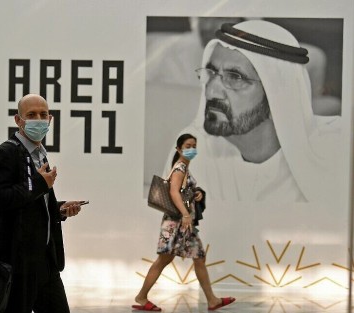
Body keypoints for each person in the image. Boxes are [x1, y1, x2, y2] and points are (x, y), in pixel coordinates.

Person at [164, 20, 340, 202]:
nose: (210, 92)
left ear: (275, 94)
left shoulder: (336, 151)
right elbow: (166, 226)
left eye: (235, 77)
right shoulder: (190, 147)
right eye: (211, 73)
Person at [0, 94, 84, 313]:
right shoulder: (4, 154)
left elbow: (35, 204)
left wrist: (60, 209)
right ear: (18, 120)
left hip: (46, 261)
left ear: (50, 119)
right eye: (31, 115)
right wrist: (39, 184)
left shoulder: (40, 154)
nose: (38, 119)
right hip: (18, 265)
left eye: (43, 114)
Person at [134, 134, 235, 312]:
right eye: (188, 145)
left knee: (195, 257)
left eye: (194, 145)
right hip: (177, 224)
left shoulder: (183, 168)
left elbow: (181, 191)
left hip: (180, 224)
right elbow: (174, 192)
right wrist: (186, 214)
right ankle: (142, 297)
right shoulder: (180, 168)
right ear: (179, 149)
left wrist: (196, 193)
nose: (192, 149)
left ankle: (212, 300)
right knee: (168, 259)